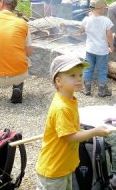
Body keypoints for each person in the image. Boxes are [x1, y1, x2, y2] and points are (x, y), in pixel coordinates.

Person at [35, 54, 111, 189]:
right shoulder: (62, 107)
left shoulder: (70, 99)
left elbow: (73, 129)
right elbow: (70, 137)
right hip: (53, 171)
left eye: (80, 75)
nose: (79, 79)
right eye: (72, 75)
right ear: (59, 81)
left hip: (64, 168)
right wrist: (94, 132)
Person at [77, 0, 114, 97]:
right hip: (102, 51)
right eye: (104, 8)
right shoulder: (106, 20)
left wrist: (78, 33)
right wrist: (111, 46)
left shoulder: (86, 19)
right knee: (102, 69)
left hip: (90, 50)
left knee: (88, 69)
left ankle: (87, 89)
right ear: (101, 8)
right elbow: (109, 35)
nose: (105, 10)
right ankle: (102, 90)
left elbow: (81, 30)